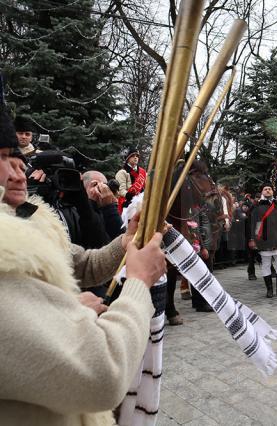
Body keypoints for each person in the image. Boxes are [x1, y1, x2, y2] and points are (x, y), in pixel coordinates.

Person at [0, 104, 167, 424]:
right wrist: (139, 283)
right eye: (5, 157)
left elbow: (83, 263)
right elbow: (103, 373)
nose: (18, 171)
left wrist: (127, 241)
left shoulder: (32, 224)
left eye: (17, 157)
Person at [248, 183, 277, 297]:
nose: (268, 191)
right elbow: (252, 224)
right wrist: (252, 239)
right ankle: (269, 290)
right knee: (266, 265)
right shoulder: (256, 206)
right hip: (264, 240)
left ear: (273, 191)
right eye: (265, 189)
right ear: (262, 192)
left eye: (270, 189)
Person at [115, 146, 147, 213]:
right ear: (128, 158)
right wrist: (130, 196)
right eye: (133, 156)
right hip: (128, 204)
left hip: (142, 203)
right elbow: (121, 190)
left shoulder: (143, 172)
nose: (135, 157)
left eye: (137, 156)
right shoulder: (122, 172)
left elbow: (146, 187)